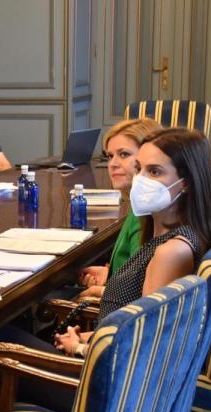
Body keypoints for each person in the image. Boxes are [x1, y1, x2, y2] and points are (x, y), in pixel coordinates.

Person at [56, 127, 211, 356]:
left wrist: (80, 348)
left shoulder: (171, 252)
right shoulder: (161, 235)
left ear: (186, 182)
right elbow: (130, 322)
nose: (141, 180)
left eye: (155, 172)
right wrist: (89, 338)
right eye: (139, 169)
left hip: (104, 380)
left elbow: (145, 347)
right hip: (104, 346)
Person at [78, 118, 163, 299]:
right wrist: (109, 275)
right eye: (110, 156)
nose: (113, 164)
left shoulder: (152, 215)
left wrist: (101, 291)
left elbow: (144, 295)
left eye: (123, 154)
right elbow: (135, 273)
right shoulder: (140, 205)